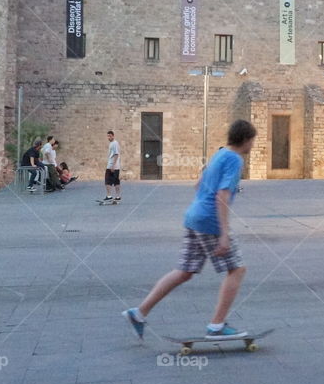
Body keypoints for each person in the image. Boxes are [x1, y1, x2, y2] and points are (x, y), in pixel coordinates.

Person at [123, 119, 257, 341]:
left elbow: (199, 184)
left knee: (184, 271)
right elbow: (222, 195)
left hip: (194, 216)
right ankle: (216, 326)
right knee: (237, 269)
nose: (253, 145)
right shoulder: (234, 159)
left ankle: (139, 313)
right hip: (209, 221)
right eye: (253, 140)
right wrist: (223, 234)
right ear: (245, 139)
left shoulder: (220, 154)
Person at [104, 131, 121, 203]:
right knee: (116, 181)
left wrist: (113, 166)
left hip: (112, 166)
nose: (109, 137)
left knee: (107, 180)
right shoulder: (112, 143)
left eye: (110, 136)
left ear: (113, 136)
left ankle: (109, 196)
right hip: (115, 166)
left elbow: (116, 154)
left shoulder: (114, 143)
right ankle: (117, 197)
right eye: (108, 136)